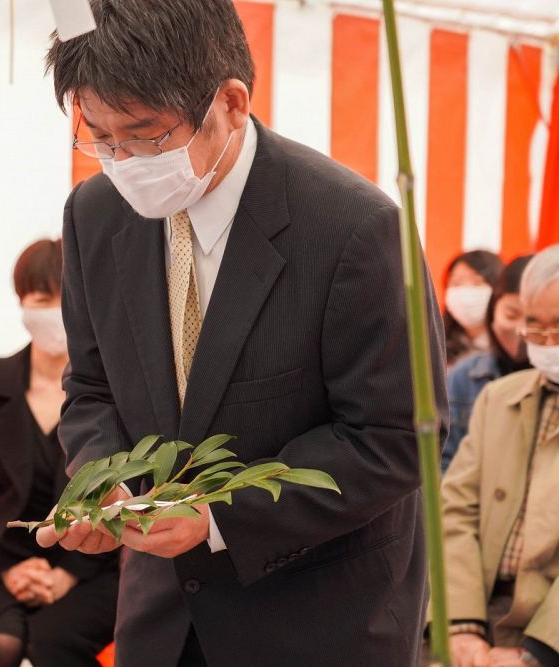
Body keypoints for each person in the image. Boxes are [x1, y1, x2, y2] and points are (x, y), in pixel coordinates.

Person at [36, 1, 448, 665]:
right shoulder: (94, 216)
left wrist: (219, 517)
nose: (122, 161)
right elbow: (89, 385)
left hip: (317, 622)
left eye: (145, 136)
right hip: (162, 620)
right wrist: (104, 483)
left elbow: (393, 438)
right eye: (100, 137)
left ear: (230, 101)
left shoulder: (354, 229)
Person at [0, 239, 118, 667]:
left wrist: (68, 573)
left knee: (51, 646)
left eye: (68, 298)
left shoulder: (114, 391)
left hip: (94, 566)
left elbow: (127, 491)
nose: (56, 312)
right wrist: (7, 570)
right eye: (43, 299)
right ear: (23, 303)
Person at [441, 246, 559, 667]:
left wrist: (538, 653)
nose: (546, 344)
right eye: (535, 326)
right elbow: (455, 508)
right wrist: (462, 626)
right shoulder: (499, 398)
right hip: (483, 618)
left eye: (558, 328)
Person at [442, 255, 533, 472]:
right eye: (511, 314)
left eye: (534, 320)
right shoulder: (463, 376)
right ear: (493, 311)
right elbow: (444, 461)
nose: (522, 329)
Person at [444, 250, 504, 369]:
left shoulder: (508, 348)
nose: (466, 293)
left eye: (477, 283)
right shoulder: (434, 346)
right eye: (456, 283)